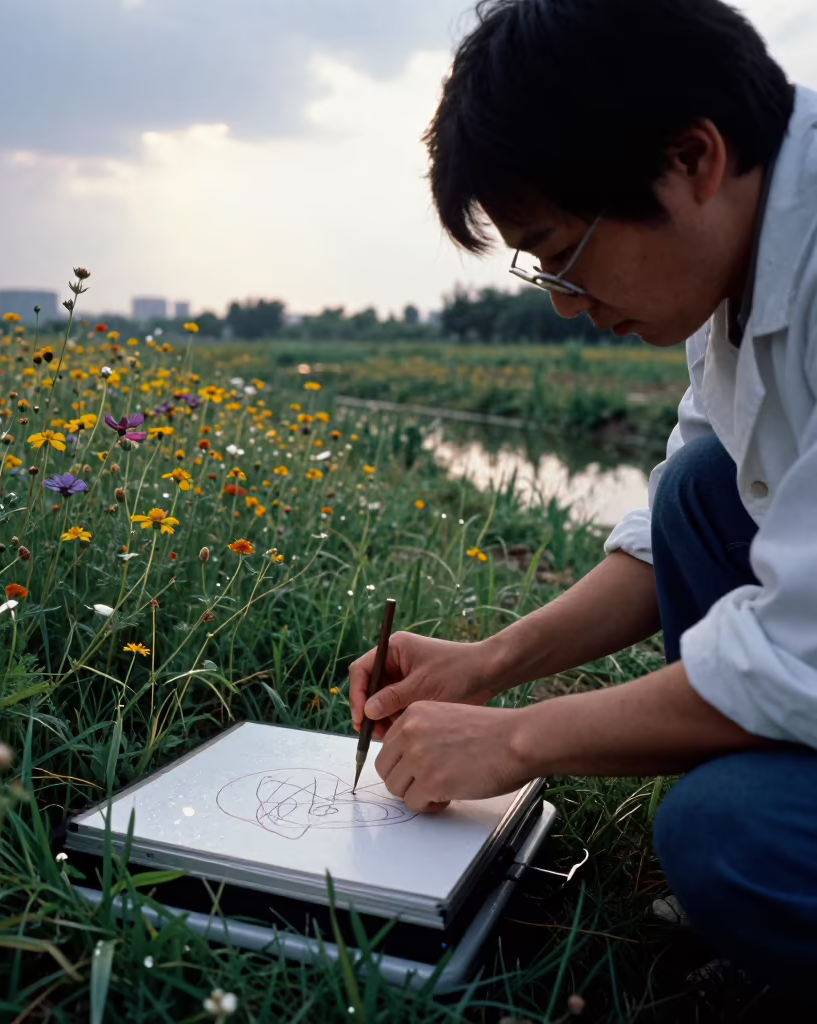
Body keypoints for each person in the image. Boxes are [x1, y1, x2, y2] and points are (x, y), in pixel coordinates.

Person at [348, 0, 817, 996]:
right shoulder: (740, 252)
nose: (562, 298)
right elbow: (666, 530)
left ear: (691, 157)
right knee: (699, 488)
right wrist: (488, 662)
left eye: (562, 248)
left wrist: (515, 737)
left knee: (727, 832)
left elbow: (798, 651)